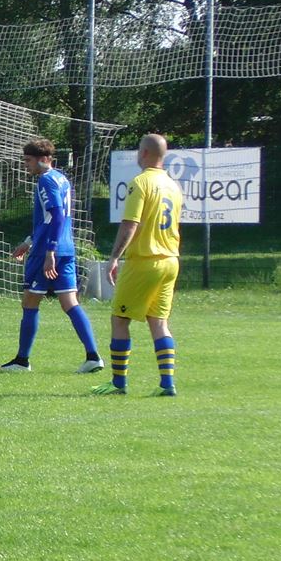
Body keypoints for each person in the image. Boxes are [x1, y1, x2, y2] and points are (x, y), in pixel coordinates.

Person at [0, 138, 101, 373]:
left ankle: (22, 361)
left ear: (44, 159)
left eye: (29, 160)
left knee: (30, 301)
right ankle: (93, 356)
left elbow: (57, 216)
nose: (26, 165)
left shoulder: (45, 180)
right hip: (66, 249)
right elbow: (49, 219)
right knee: (70, 302)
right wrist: (28, 242)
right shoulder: (62, 179)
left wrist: (49, 251)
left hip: (47, 251)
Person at [93, 133, 184, 397]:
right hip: (170, 260)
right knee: (159, 321)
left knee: (120, 319)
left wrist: (114, 257)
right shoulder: (173, 186)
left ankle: (118, 383)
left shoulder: (140, 182)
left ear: (143, 153)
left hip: (145, 261)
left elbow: (130, 224)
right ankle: (167, 384)